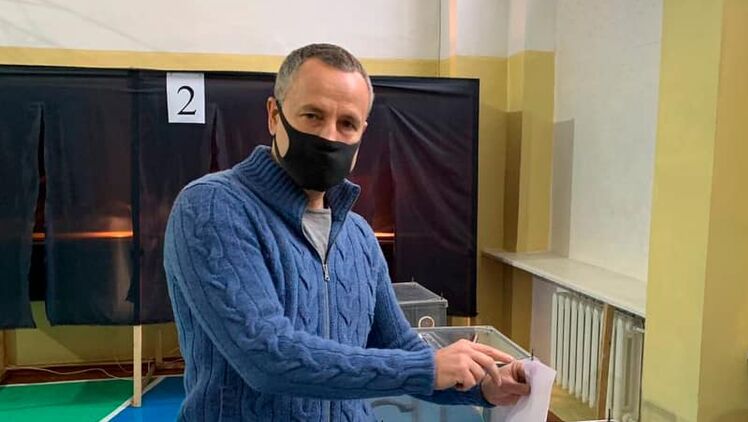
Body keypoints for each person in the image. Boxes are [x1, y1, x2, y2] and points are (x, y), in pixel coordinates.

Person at [163, 43, 530, 421]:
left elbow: (399, 345)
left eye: (347, 124)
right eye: (313, 115)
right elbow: (267, 356)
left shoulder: (357, 235)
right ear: (274, 115)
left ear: (361, 133)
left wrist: (484, 386)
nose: (329, 136)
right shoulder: (213, 207)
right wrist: (426, 368)